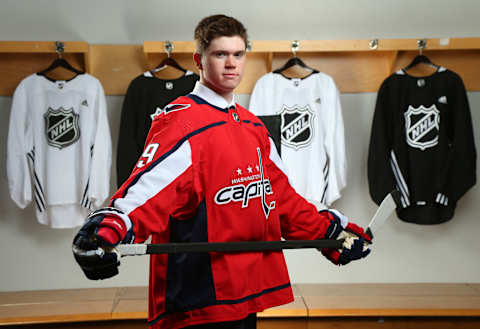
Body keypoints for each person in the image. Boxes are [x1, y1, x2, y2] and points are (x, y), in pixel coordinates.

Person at [72, 14, 372, 329]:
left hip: (244, 297)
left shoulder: (253, 126)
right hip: (198, 302)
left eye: (238, 54)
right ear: (199, 60)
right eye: (220, 54)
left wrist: (333, 234)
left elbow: (282, 201)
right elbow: (147, 190)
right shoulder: (182, 123)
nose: (231, 64)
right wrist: (105, 229)